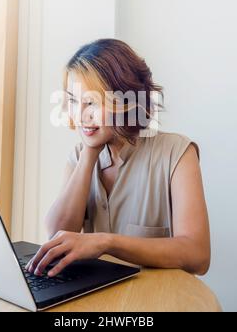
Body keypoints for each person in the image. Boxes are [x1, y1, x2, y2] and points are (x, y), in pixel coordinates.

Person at [26, 39, 210, 278]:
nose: (81, 115)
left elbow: (198, 256)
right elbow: (57, 233)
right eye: (73, 101)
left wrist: (106, 242)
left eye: (91, 102)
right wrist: (89, 153)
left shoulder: (177, 153)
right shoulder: (80, 156)